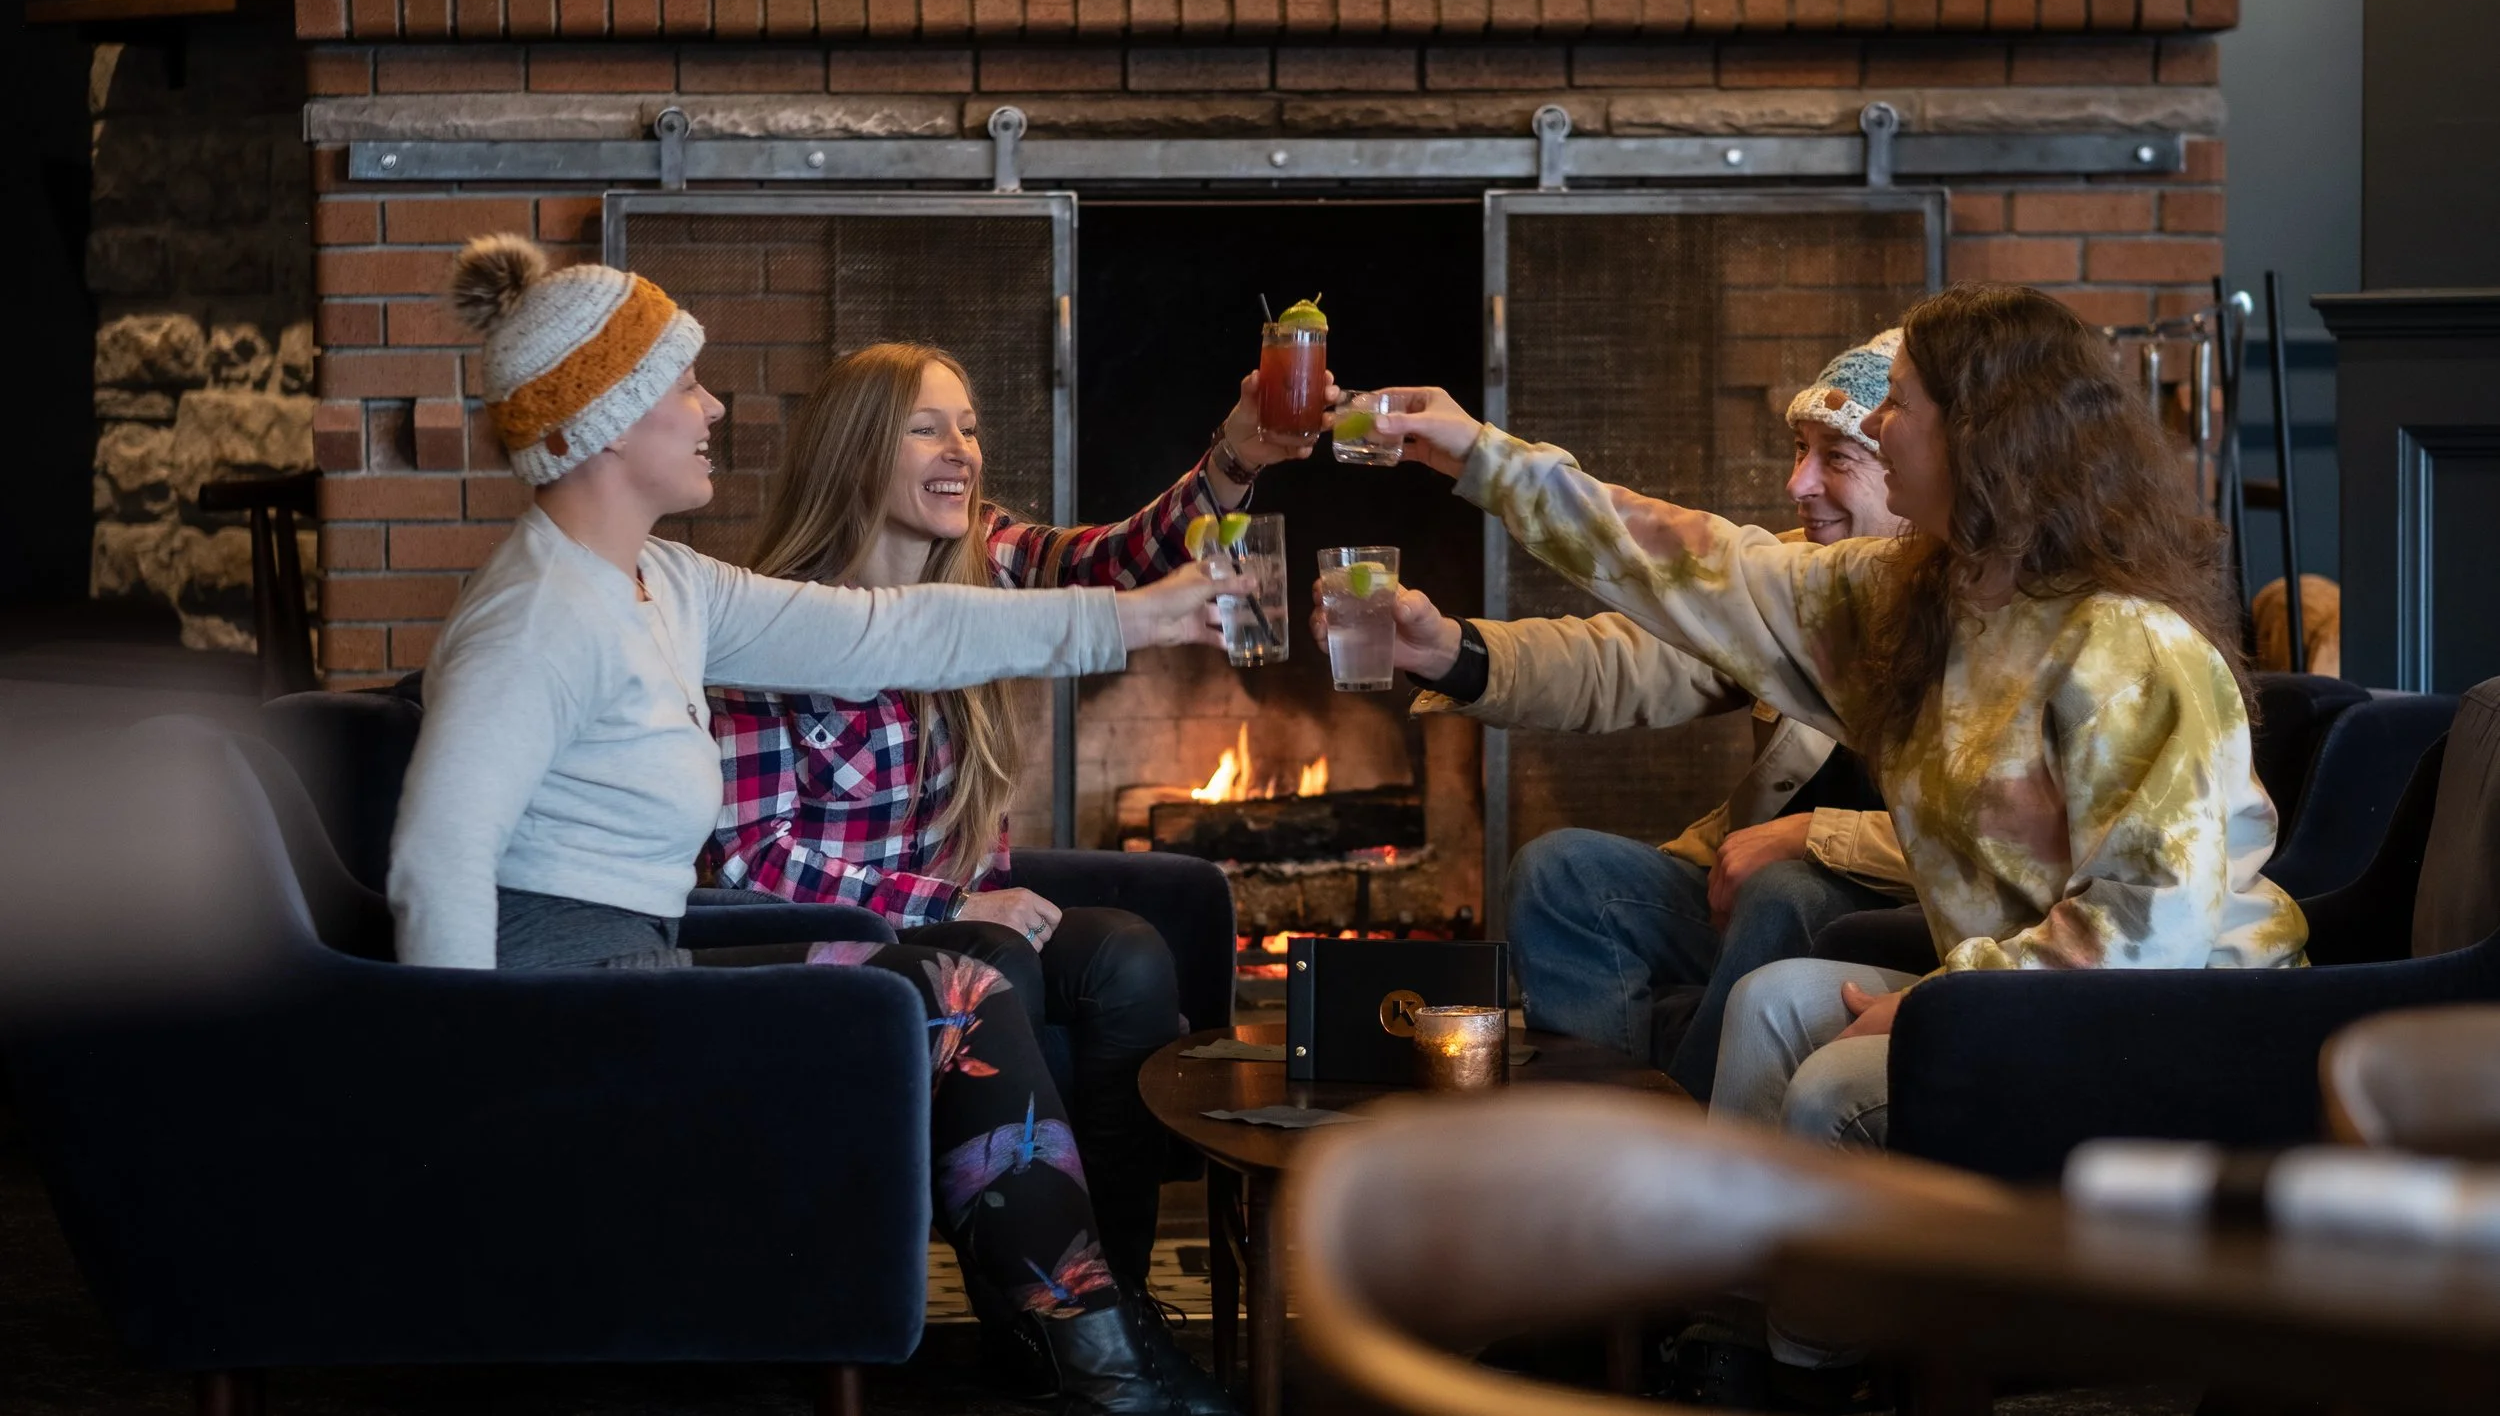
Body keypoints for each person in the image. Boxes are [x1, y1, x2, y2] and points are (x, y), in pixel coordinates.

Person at [390, 236, 1234, 1416]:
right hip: (567, 999)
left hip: (645, 961)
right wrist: (471, 1106)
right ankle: (1098, 1360)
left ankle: (1090, 1341)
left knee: (949, 978)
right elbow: (437, 853)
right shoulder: (536, 615)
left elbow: (892, 632)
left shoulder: (663, 583)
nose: (712, 407)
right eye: (684, 384)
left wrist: (1134, 621)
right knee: (953, 983)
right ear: (613, 417)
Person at [1350, 283, 2303, 1151]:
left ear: (1983, 433)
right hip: (2019, 992)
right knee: (1769, 1004)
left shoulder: (2127, 645)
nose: (1882, 430)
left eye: (1898, 405)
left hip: (2177, 1019)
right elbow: (1698, 567)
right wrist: (1482, 457)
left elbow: (2149, 930)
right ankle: (1697, 1297)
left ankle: (1793, 1342)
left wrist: (1944, 1003)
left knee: (1832, 1078)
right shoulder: (1923, 599)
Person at [699, 341, 1317, 1308]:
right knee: (1004, 959)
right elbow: (751, 859)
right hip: (839, 942)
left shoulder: (984, 557)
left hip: (960, 911)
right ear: (857, 449)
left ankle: (1114, 1292)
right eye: (926, 427)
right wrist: (949, 900)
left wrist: (1235, 457)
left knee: (1132, 957)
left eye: (971, 427)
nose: (962, 449)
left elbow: (1113, 564)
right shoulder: (768, 623)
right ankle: (1039, 1315)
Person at [1327, 333, 1914, 1100]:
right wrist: (1449, 652)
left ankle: (1676, 1165)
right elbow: (1626, 663)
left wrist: (1816, 835)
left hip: (1884, 913)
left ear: (1911, 472)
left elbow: (2007, 857)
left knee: (1786, 890)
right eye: (1799, 449)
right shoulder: (1801, 583)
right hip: (1741, 885)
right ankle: (1594, 1141)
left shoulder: (1975, 610)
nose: (1796, 481)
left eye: (1836, 459)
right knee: (1560, 872)